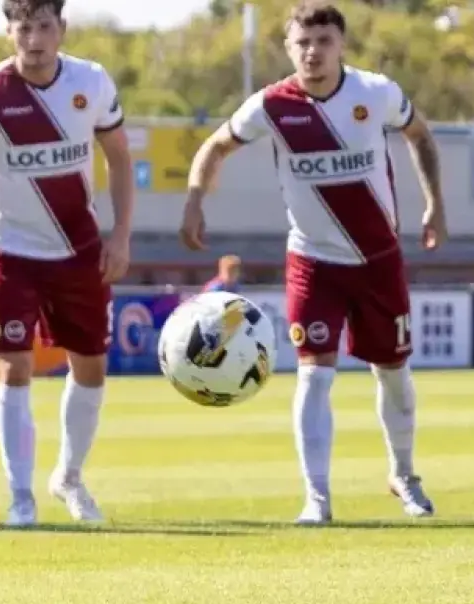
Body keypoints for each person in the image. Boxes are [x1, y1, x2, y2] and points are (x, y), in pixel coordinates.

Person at [180, 1, 448, 523]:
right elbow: (214, 147)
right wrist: (194, 201)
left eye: (323, 41)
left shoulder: (375, 92)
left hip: (378, 261)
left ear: (341, 45)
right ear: (288, 48)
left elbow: (420, 135)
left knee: (393, 372)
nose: (313, 52)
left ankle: (404, 474)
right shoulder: (271, 105)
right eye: (303, 42)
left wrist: (435, 203)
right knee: (314, 376)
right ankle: (317, 498)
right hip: (312, 262)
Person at [0, 0, 133, 527]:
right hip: (8, 252)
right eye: (24, 28)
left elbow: (119, 158)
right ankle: (21, 497)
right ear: (9, 32)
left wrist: (120, 237)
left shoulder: (92, 81)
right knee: (13, 366)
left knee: (91, 366)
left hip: (79, 252)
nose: (34, 39)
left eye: (43, 27)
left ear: (61, 28)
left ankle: (69, 477)